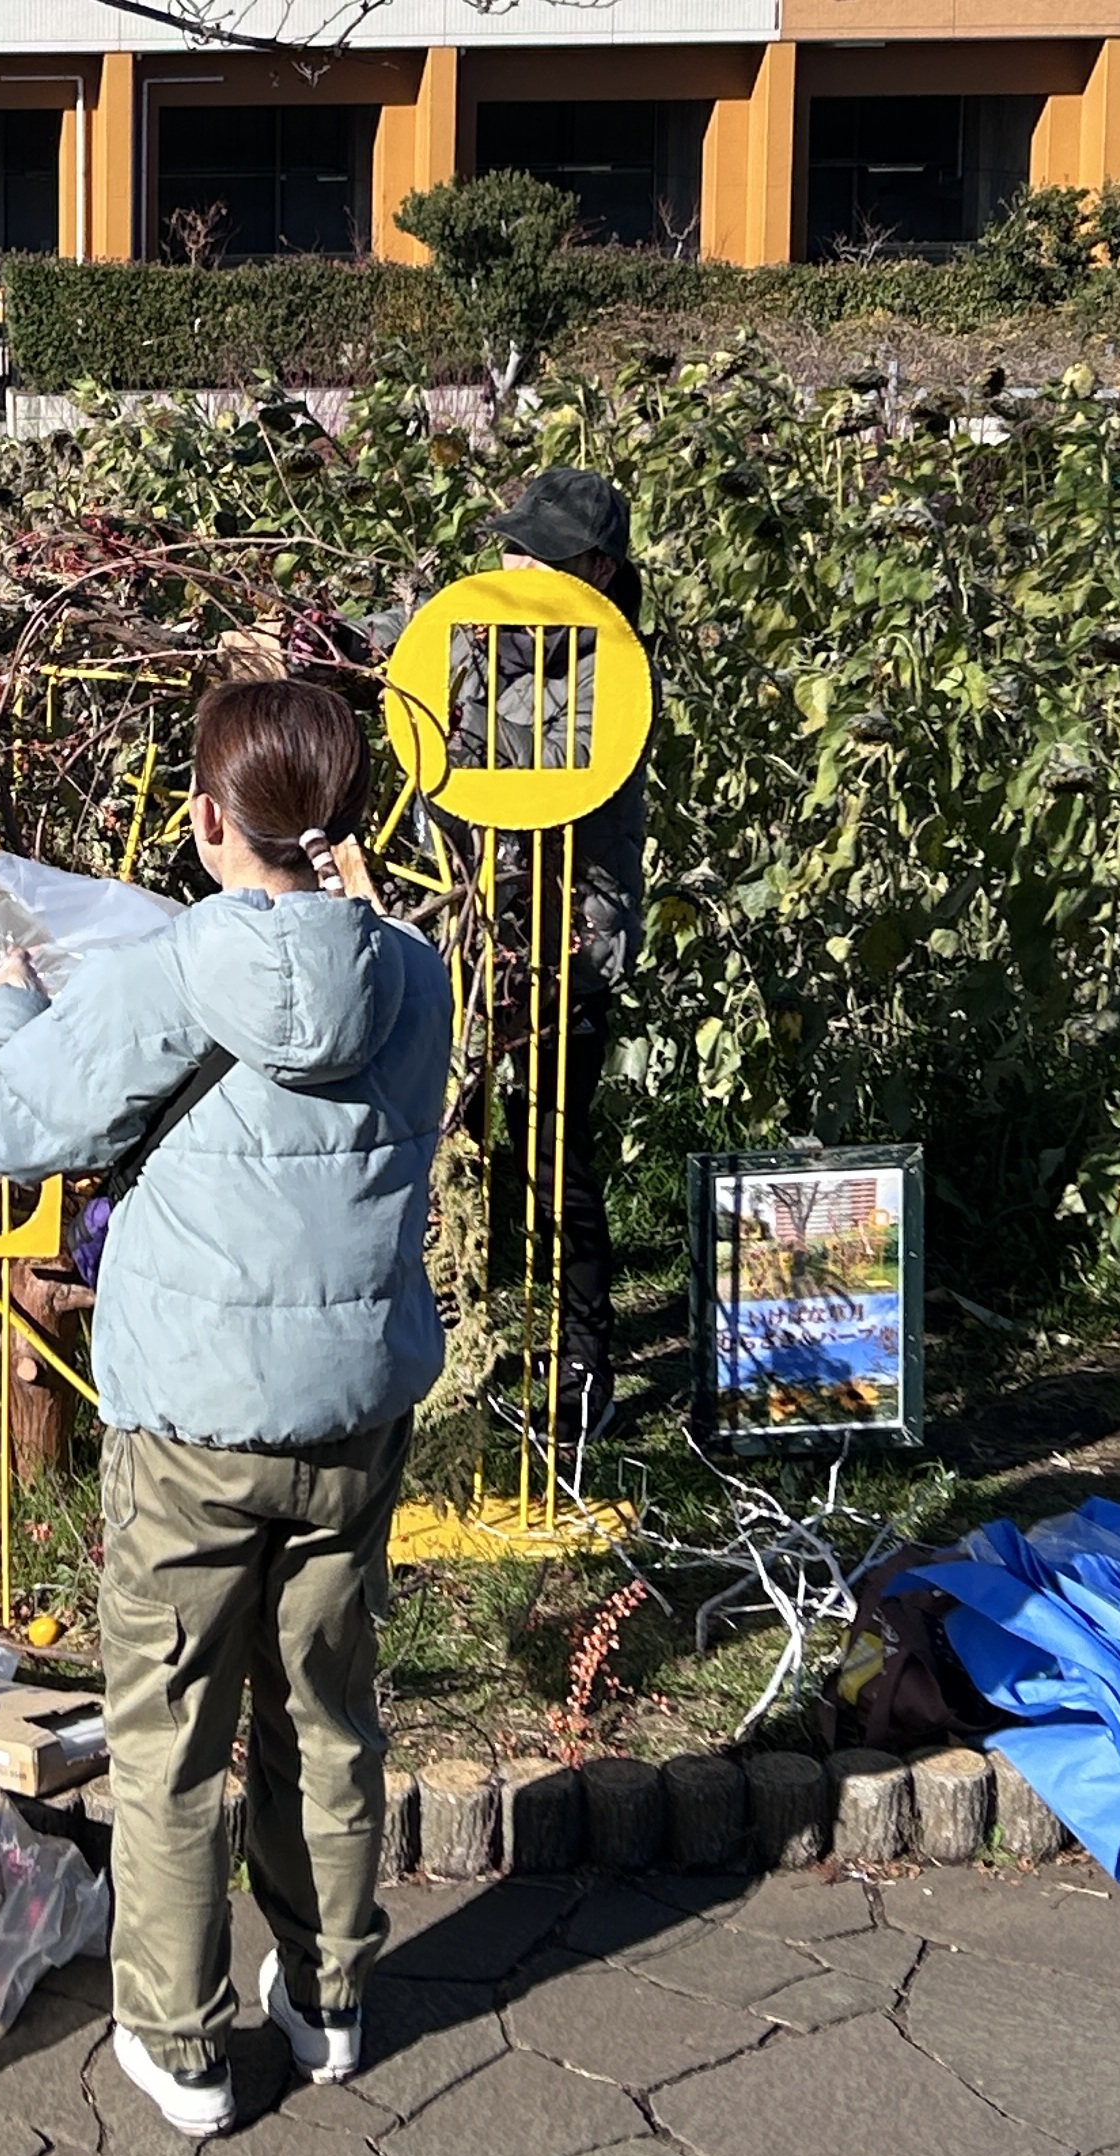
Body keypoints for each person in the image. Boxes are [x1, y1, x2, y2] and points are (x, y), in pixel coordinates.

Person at [0, 676, 453, 2138]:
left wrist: (2, 1006)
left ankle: (180, 2042)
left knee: (167, 1731)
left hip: (191, 1427)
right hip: (353, 1409)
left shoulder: (175, 968)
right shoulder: (413, 970)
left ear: (205, 817)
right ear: (341, 817)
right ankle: (332, 1999)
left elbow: (9, 1120)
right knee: (325, 1708)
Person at [445, 465, 650, 1439]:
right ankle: (465, 1336)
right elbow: (415, 704)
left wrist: (456, 701)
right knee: (460, 1129)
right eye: (509, 547)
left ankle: (584, 1365)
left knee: (555, 1140)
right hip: (475, 918)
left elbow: (529, 764)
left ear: (598, 569)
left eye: (535, 552)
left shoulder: (614, 668)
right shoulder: (486, 637)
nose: (511, 564)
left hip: (571, 925)